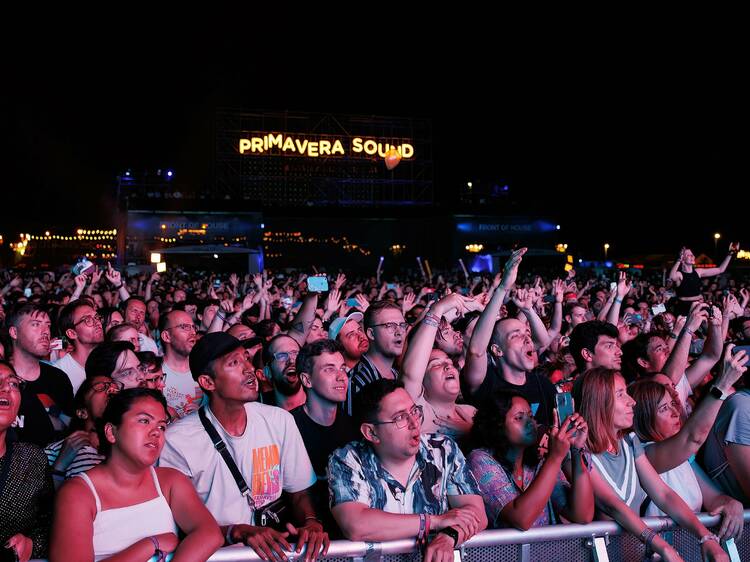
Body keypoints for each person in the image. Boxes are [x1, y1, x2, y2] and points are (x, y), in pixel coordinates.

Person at [160, 332, 329, 562]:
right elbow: (180, 526)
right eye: (234, 363)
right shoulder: (177, 441)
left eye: (246, 358)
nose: (248, 368)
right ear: (208, 382)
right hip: (218, 557)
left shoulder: (279, 421)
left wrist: (311, 522)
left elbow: (299, 492)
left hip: (276, 554)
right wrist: (236, 532)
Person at [574, 368, 728, 562]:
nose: (632, 402)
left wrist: (706, 537)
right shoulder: (579, 451)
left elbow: (664, 494)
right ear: (598, 401)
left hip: (634, 556)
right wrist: (663, 547)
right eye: (621, 394)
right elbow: (613, 505)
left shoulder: (630, 442)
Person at [50, 388, 223, 562]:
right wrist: (150, 545)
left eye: (162, 426)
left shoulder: (170, 481)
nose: (156, 432)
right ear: (111, 432)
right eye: (144, 420)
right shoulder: (78, 493)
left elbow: (209, 533)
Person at [328, 379, 487, 562]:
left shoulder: (443, 449)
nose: (414, 423)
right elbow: (356, 524)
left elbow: (477, 513)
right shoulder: (347, 459)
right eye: (400, 417)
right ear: (371, 433)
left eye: (414, 411)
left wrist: (448, 536)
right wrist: (434, 521)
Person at [630, 351, 745, 541]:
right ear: (644, 417)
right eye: (664, 409)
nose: (675, 412)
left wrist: (731, 503)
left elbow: (714, 498)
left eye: (672, 405)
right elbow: (693, 438)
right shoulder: (645, 454)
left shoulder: (685, 458)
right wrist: (722, 385)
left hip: (690, 547)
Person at [467, 390, 593, 529]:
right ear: (497, 424)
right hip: (506, 551)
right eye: (519, 418)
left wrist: (576, 450)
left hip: (547, 551)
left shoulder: (538, 464)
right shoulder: (480, 460)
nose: (530, 423)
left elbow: (582, 515)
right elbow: (522, 519)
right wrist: (555, 457)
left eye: (531, 416)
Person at [291, 339, 359, 537]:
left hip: (346, 538)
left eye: (343, 369)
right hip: (303, 539)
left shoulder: (354, 428)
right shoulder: (288, 426)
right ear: (307, 380)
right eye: (329, 369)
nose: (341, 377)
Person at [0, 360, 54, 562]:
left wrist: (32, 545)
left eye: (13, 383)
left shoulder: (31, 459)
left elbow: (52, 524)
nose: (6, 387)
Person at [7, 303, 74, 446]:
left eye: (48, 325)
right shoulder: (2, 378)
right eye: (36, 325)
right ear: (14, 332)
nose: (45, 332)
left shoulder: (58, 379)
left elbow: (69, 432)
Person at [54, 300, 104, 393]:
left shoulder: (108, 361)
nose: (97, 323)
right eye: (88, 320)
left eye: (97, 317)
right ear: (72, 333)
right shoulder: (60, 371)